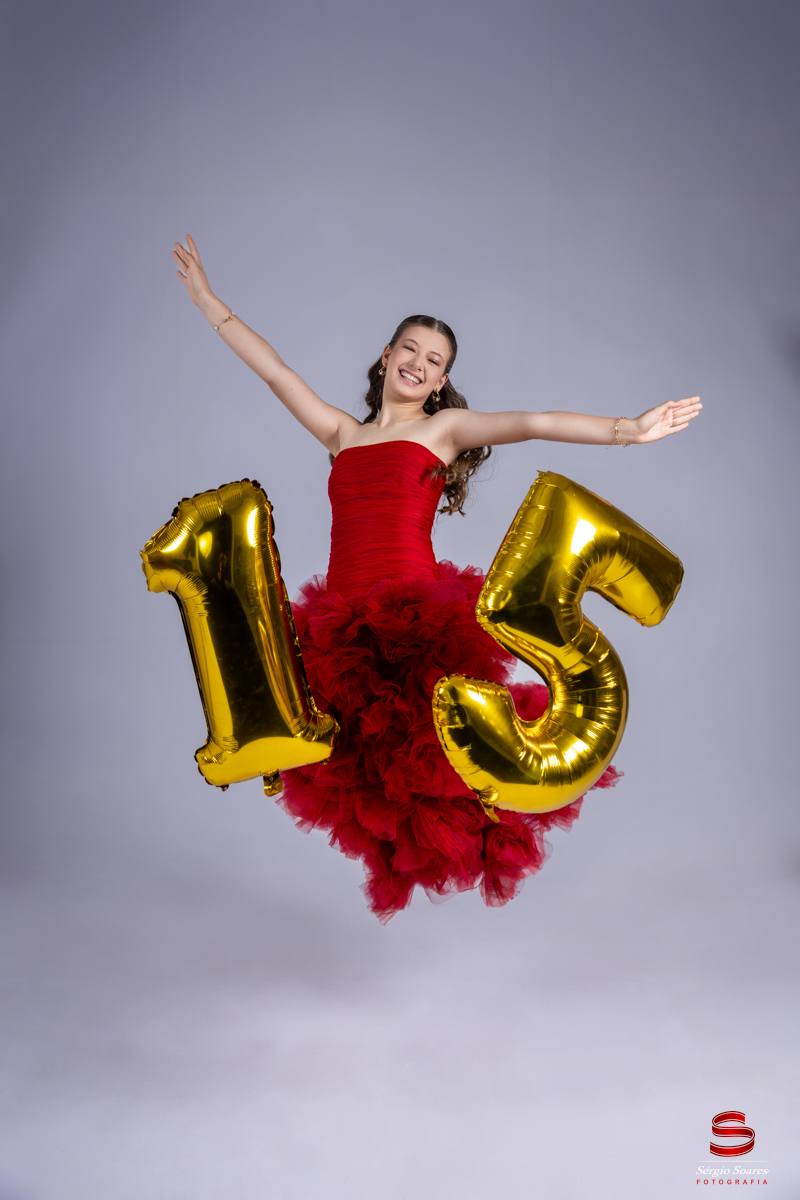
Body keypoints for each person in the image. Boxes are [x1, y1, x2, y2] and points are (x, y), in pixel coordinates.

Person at [172, 235, 702, 921]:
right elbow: (276, 372)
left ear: (442, 379)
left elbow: (532, 421)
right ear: (386, 355)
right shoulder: (342, 434)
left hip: (414, 613)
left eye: (435, 361)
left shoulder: (443, 429)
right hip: (341, 622)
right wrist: (209, 303)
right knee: (363, 766)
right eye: (411, 350)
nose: (419, 365)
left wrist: (629, 429)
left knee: (438, 757)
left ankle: (492, 835)